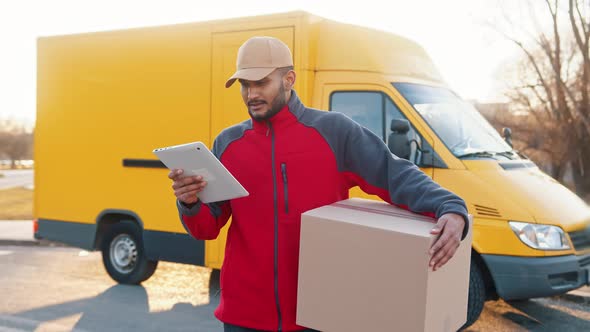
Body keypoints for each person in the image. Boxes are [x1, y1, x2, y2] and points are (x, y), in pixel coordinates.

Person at [169, 36, 469, 332]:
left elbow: (394, 174)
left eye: (261, 83)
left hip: (316, 315)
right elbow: (207, 229)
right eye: (245, 85)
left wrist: (450, 206)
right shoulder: (228, 143)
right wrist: (190, 203)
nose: (251, 94)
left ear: (289, 79)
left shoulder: (334, 132)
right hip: (242, 318)